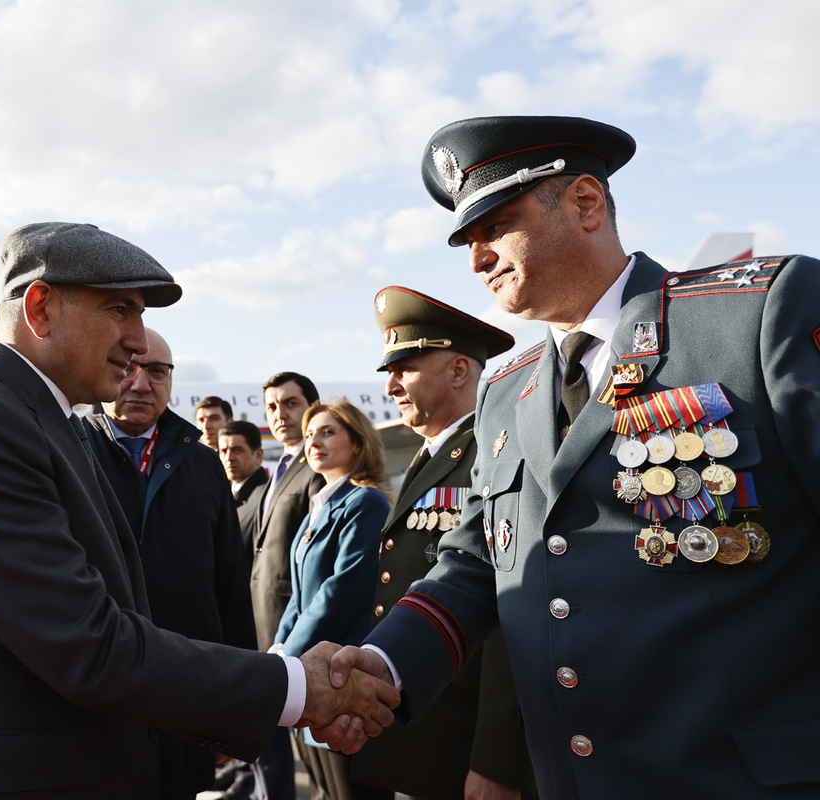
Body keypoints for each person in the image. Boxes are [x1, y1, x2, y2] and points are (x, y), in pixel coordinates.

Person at [320, 116, 820, 798]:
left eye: (496, 227)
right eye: (468, 241)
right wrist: (385, 664)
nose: (477, 260)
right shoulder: (505, 391)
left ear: (586, 203)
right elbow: (475, 561)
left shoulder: (754, 319)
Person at [0, 222, 397, 800]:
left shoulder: (44, 423)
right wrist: (294, 687)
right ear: (40, 309)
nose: (139, 341)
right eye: (119, 310)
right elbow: (85, 643)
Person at [348, 287, 536, 800]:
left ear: (457, 371)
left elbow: (509, 604)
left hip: (466, 729)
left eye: (404, 368)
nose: (390, 386)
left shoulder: (492, 452)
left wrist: (497, 758)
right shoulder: (432, 454)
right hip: (425, 715)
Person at [84, 330, 257, 800]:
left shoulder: (205, 465)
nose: (141, 384)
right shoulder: (67, 451)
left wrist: (235, 711)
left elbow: (230, 590)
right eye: (128, 368)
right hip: (94, 699)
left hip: (187, 696)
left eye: (157, 371)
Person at [272, 401, 391, 800]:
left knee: (350, 791)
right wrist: (279, 648)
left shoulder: (365, 502)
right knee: (323, 790)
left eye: (327, 432)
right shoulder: (316, 510)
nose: (314, 442)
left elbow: (340, 590)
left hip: (343, 671)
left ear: (357, 443)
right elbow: (299, 595)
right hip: (310, 670)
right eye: (309, 435)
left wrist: (289, 655)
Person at [251, 371, 327, 800]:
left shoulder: (316, 467)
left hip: (299, 632)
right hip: (271, 628)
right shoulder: (278, 470)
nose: (280, 414)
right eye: (272, 407)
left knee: (319, 765)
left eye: (290, 403)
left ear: (312, 407)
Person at [220, 419, 269, 556]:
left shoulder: (267, 497)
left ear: (258, 455)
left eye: (237, 450)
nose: (229, 458)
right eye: (223, 451)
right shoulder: (218, 495)